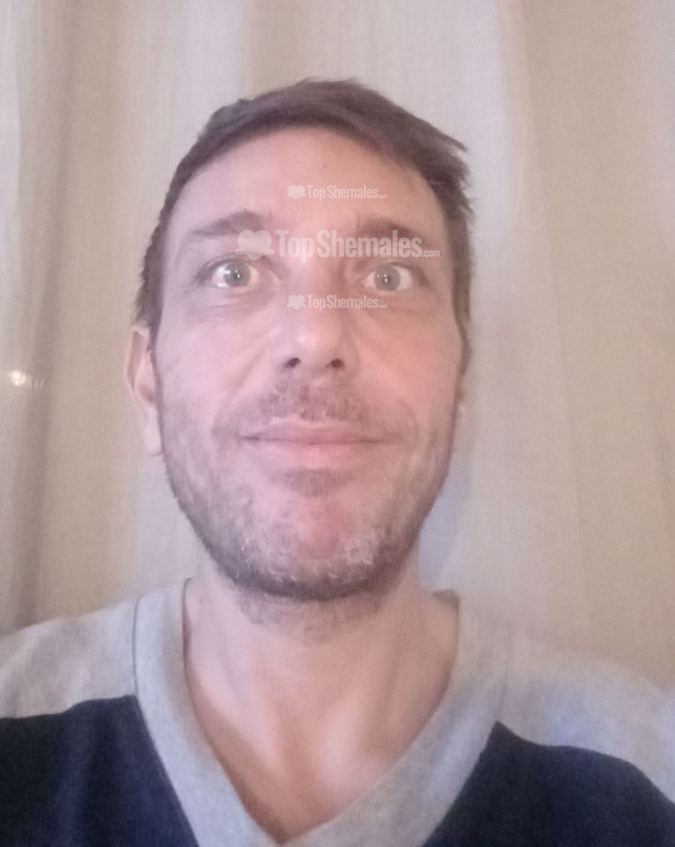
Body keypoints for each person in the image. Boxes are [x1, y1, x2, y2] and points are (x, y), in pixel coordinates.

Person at [1, 77, 674, 847]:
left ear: (458, 383)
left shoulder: (647, 783)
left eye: (387, 277)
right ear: (148, 386)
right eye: (233, 273)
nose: (314, 336)